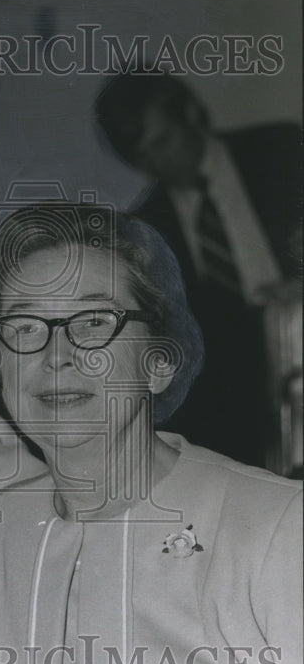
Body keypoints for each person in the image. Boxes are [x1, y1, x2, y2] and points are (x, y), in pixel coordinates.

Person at [0, 204, 302, 664]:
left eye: (93, 321)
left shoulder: (277, 529)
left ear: (158, 363)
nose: (57, 354)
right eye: (24, 325)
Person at [93, 71, 303, 468]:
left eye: (162, 142)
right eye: (142, 156)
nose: (158, 163)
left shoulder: (283, 148)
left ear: (190, 113)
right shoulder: (146, 226)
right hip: (241, 393)